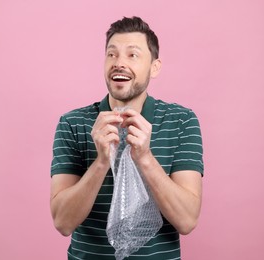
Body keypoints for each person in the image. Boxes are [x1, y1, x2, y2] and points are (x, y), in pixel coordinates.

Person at [50, 16, 204, 259]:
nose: (119, 63)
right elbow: (62, 222)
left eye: (132, 55)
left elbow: (187, 221)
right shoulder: (72, 123)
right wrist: (101, 162)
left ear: (154, 67)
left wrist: (144, 157)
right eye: (112, 54)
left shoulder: (181, 121)